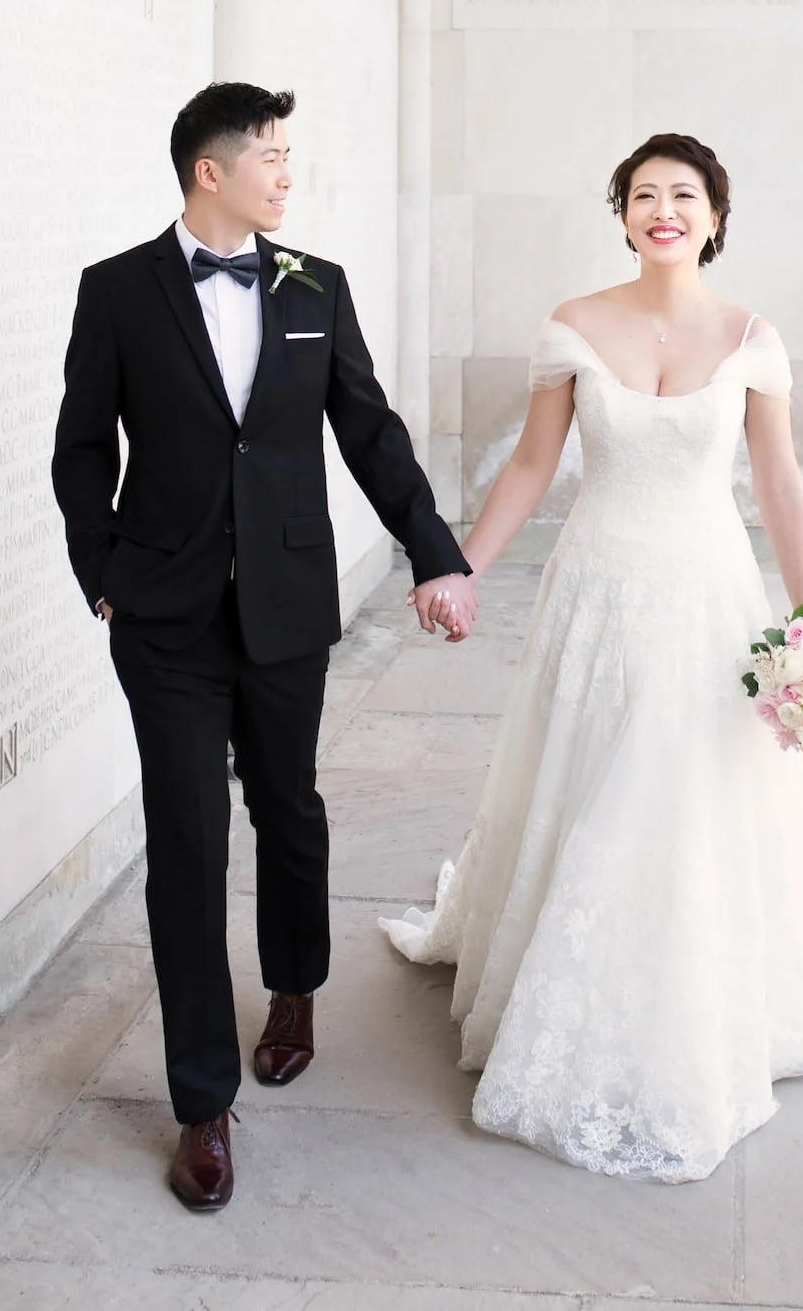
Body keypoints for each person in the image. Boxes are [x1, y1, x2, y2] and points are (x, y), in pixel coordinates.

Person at [381, 132, 803, 1183]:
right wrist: (462, 566)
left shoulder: (751, 336)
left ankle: (693, 988)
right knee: (592, 768)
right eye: (643, 194)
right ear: (620, 213)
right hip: (598, 586)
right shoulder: (573, 327)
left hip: (707, 588)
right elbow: (533, 465)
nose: (663, 209)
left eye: (684, 194)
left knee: (687, 781)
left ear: (714, 215)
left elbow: (779, 487)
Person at [53, 82, 477, 1212]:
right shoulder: (118, 292)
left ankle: (291, 988)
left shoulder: (313, 286)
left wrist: (435, 554)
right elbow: (81, 445)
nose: (288, 174)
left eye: (289, 156)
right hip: (163, 617)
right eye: (273, 156)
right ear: (211, 169)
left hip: (286, 604)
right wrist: (100, 570)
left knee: (286, 806)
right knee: (185, 843)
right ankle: (200, 1100)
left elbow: (371, 434)